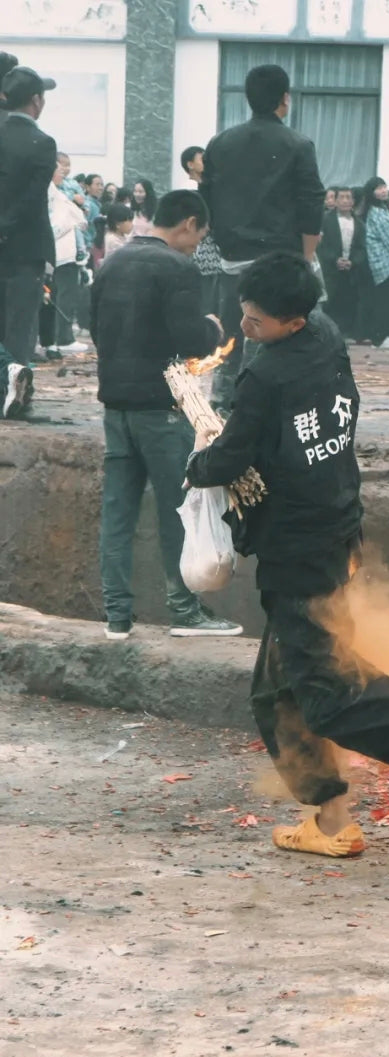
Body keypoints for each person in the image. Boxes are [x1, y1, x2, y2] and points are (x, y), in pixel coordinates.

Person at [183, 251, 389, 863]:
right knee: (276, 692)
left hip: (299, 549)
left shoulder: (267, 377)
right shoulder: (327, 335)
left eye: (254, 321)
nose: (244, 328)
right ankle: (330, 821)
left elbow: (226, 461)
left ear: (292, 321)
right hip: (337, 527)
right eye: (243, 315)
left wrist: (198, 461)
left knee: (331, 692)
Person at [90, 189, 243, 640]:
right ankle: (184, 610)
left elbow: (95, 326)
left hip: (115, 404)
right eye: (200, 235)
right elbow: (192, 339)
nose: (198, 244)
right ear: (189, 224)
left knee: (118, 511)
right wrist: (213, 329)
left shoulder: (113, 262)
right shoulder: (177, 266)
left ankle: (116, 616)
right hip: (162, 408)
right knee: (180, 507)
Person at [200, 63, 326, 410]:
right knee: (273, 339)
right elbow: (311, 204)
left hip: (232, 260)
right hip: (278, 261)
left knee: (233, 336)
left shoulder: (220, 143)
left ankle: (222, 406)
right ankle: (261, 409)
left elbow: (206, 200)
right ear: (284, 99)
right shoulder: (298, 144)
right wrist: (307, 258)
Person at [0, 65, 58, 420]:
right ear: (36, 101)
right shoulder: (43, 143)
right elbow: (33, 198)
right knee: (21, 326)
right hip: (25, 247)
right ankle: (17, 399)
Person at [40, 157, 89, 360]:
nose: (64, 173)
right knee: (56, 299)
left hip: (66, 254)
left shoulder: (59, 192)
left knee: (62, 298)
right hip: (56, 255)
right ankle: (59, 340)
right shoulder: (48, 191)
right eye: (60, 169)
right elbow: (56, 225)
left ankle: (56, 340)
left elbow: (80, 218)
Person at [360, 176, 389, 349]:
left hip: (388, 263)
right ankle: (381, 337)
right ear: (371, 193)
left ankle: (387, 335)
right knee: (386, 301)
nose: (383, 190)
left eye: (384, 186)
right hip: (384, 264)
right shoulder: (377, 212)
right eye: (378, 188)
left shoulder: (382, 209)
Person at [318, 186, 365, 342]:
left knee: (348, 302)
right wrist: (335, 260)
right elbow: (321, 246)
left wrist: (352, 262)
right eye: (342, 197)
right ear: (335, 200)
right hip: (330, 269)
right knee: (330, 301)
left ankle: (345, 334)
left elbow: (361, 248)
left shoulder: (359, 223)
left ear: (353, 201)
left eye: (348, 198)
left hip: (351, 270)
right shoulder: (326, 220)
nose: (345, 201)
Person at [181, 145, 223, 317]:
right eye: (201, 159)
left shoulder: (212, 186)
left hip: (214, 248)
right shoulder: (193, 191)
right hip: (203, 248)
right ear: (190, 164)